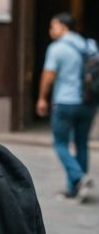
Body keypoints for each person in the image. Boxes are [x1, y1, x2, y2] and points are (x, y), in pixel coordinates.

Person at [36, 11, 98, 201]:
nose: (50, 30)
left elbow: (48, 76)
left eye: (53, 26)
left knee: (60, 143)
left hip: (65, 102)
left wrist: (42, 98)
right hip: (88, 103)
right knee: (81, 143)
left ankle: (79, 178)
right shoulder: (89, 45)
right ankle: (76, 189)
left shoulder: (57, 48)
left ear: (64, 27)